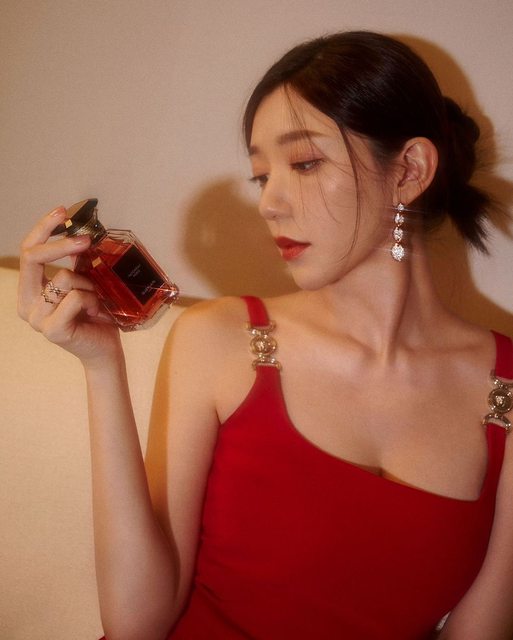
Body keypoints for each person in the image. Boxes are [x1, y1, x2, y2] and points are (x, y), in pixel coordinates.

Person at [17, 31, 513, 640]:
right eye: (260, 175)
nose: (269, 203)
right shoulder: (220, 338)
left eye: (304, 163)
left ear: (408, 170)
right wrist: (100, 366)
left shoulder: (506, 389)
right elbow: (135, 624)